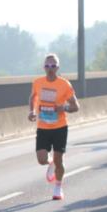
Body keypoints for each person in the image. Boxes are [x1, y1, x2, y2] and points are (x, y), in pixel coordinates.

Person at [28, 54, 80, 200]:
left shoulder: (64, 85)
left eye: (53, 66)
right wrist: (32, 111)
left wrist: (63, 108)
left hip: (60, 127)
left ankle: (58, 187)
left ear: (58, 67)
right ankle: (50, 163)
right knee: (41, 159)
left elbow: (76, 106)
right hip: (43, 126)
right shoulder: (38, 82)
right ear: (43, 67)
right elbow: (33, 97)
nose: (50, 69)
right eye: (47, 66)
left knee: (59, 160)